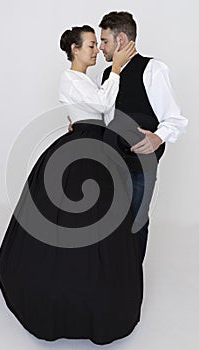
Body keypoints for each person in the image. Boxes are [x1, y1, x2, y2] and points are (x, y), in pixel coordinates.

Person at [0, 25, 144, 345]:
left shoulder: (84, 81)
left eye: (95, 45)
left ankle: (99, 291)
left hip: (95, 147)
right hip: (81, 152)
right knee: (70, 219)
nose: (94, 50)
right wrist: (116, 69)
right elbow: (102, 105)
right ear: (74, 50)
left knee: (105, 220)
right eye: (90, 45)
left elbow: (101, 111)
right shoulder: (69, 78)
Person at [68, 12, 188, 262]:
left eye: (104, 41)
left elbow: (174, 119)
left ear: (121, 39)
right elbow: (107, 118)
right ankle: (112, 277)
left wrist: (157, 138)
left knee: (136, 221)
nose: (100, 48)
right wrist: (80, 124)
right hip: (109, 161)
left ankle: (131, 281)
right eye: (98, 42)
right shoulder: (107, 75)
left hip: (140, 166)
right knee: (107, 221)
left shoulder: (153, 68)